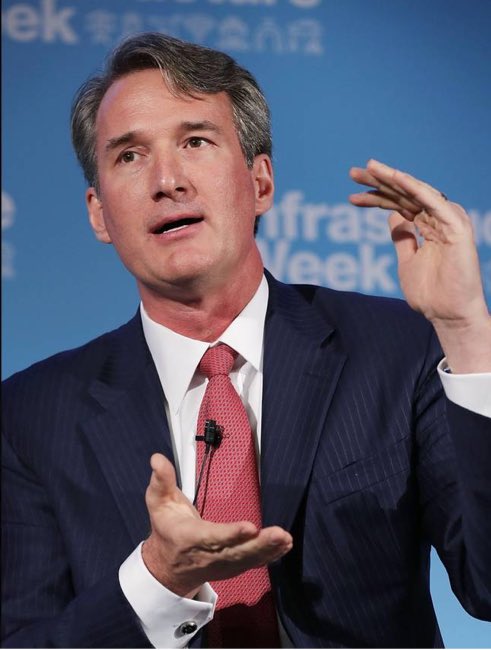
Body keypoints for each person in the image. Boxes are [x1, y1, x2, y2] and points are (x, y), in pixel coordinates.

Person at [2, 32, 490, 649]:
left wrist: (467, 332)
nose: (167, 180)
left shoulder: (396, 350)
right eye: (129, 156)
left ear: (260, 182)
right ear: (99, 213)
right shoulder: (29, 417)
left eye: (196, 142)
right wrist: (158, 581)